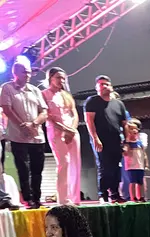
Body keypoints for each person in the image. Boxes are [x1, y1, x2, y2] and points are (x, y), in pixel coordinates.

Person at [0, 57, 48, 209]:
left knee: (37, 169)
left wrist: (34, 124)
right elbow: (7, 109)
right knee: (23, 168)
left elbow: (44, 111)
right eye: (24, 72)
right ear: (15, 73)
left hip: (37, 136)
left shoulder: (35, 90)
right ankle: (28, 198)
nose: (27, 75)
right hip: (18, 136)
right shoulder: (7, 88)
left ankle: (37, 197)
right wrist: (23, 126)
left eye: (28, 72)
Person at [84, 76, 127, 203]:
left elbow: (124, 124)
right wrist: (95, 138)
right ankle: (103, 194)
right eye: (101, 84)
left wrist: (126, 141)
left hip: (116, 140)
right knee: (104, 167)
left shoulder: (118, 104)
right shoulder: (92, 101)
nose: (104, 86)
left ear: (111, 87)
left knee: (116, 168)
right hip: (100, 140)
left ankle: (115, 193)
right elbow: (89, 121)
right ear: (97, 88)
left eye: (106, 84)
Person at [42, 67, 81, 205]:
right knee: (64, 163)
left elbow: (74, 113)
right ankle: (63, 199)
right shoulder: (44, 94)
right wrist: (64, 129)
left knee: (75, 164)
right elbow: (49, 117)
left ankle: (75, 198)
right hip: (56, 132)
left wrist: (72, 129)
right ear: (50, 78)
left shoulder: (66, 95)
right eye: (58, 77)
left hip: (72, 131)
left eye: (63, 78)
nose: (61, 80)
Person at [121, 119, 148, 202]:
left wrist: (146, 164)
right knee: (132, 182)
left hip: (140, 165)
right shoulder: (127, 142)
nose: (134, 131)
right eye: (132, 129)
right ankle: (133, 197)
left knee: (140, 182)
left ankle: (141, 196)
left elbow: (144, 154)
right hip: (131, 166)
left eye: (136, 129)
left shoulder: (140, 142)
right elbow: (125, 153)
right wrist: (127, 143)